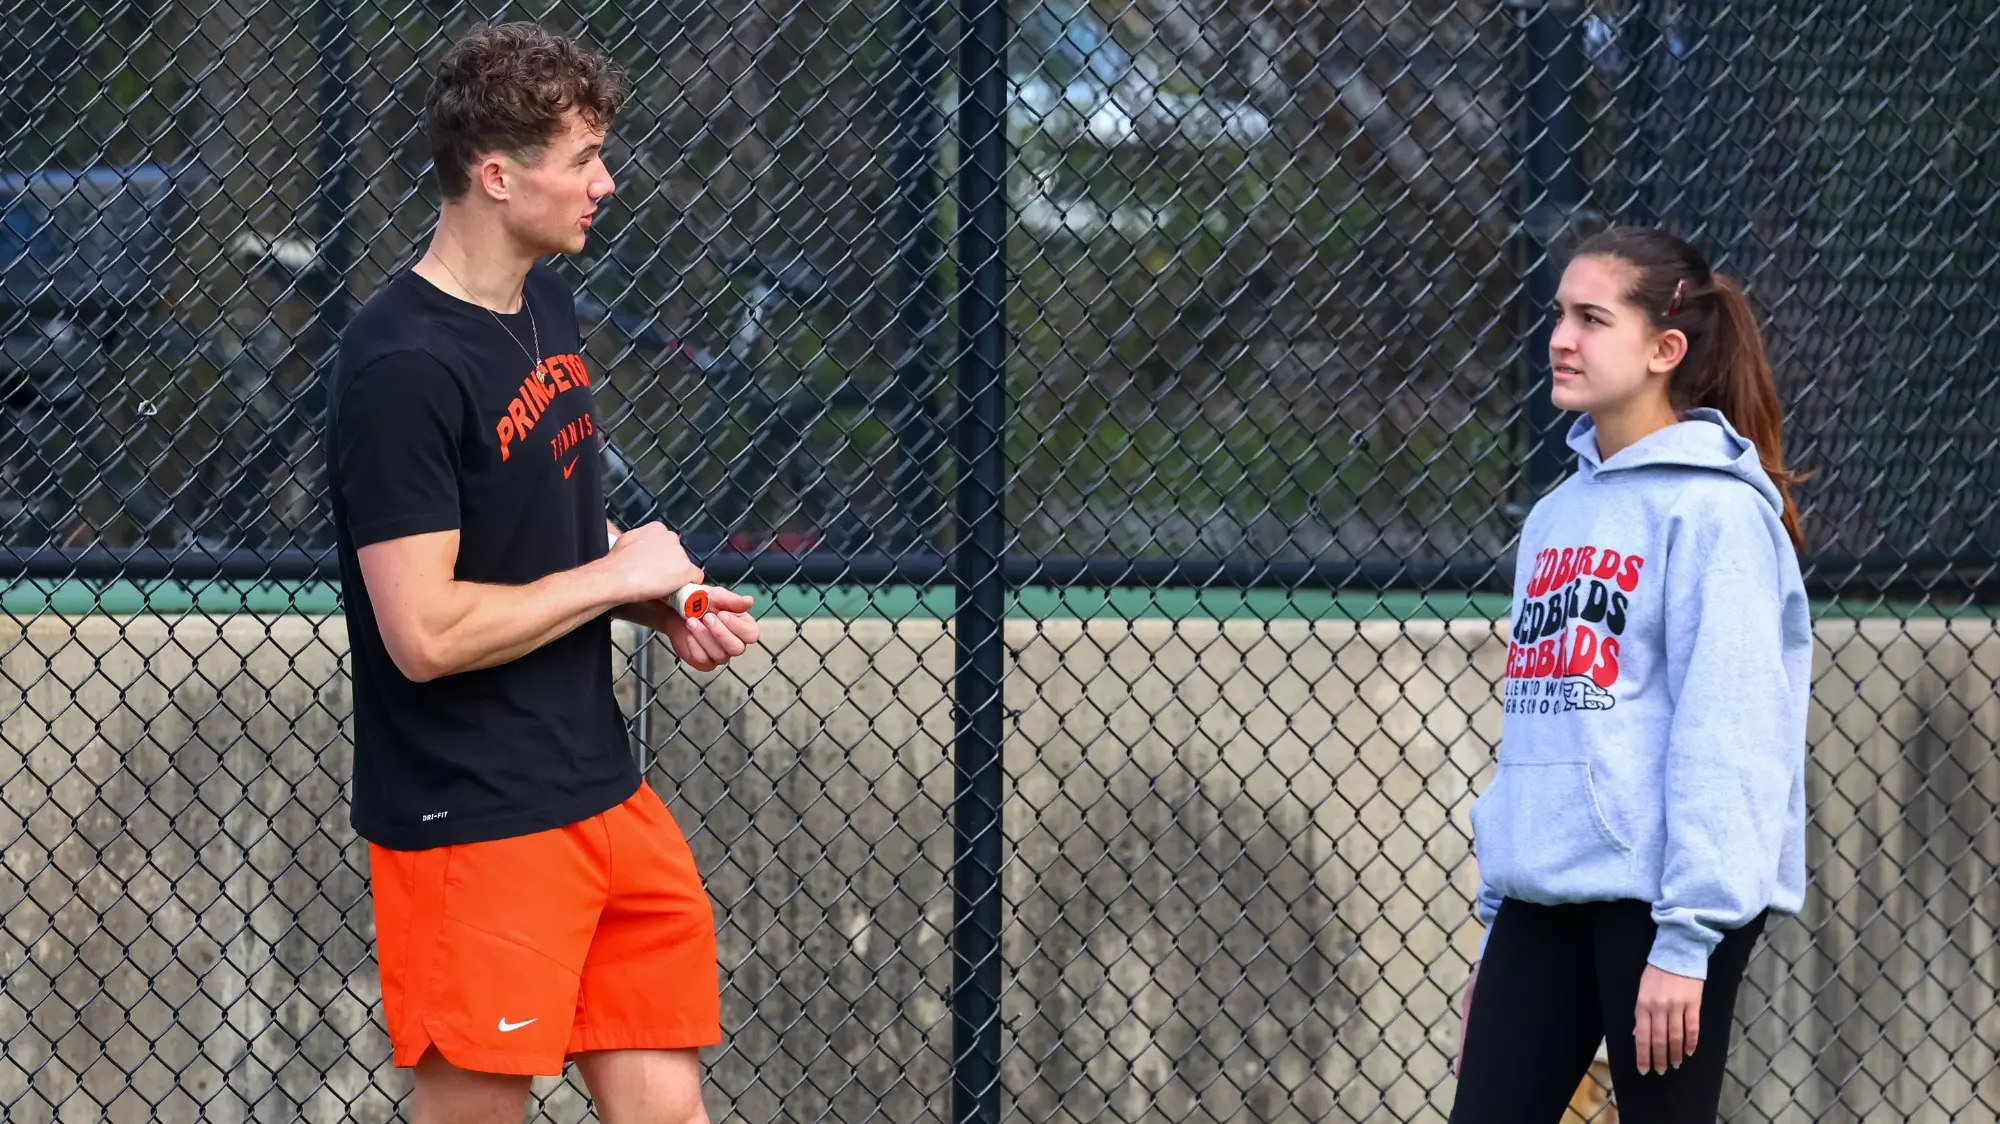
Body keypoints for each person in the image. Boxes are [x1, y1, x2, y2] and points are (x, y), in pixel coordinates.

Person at [323, 22, 761, 1124]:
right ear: (498, 173)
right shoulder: (401, 368)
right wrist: (615, 582)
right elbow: (421, 631)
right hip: (474, 817)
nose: (604, 183)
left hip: (602, 790)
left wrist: (654, 592)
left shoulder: (543, 302)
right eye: (581, 161)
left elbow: (539, 527)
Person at [1450, 226, 1811, 1123]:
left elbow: (1730, 737)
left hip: (1664, 902)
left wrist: (1686, 942)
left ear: (1665, 349)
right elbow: (1539, 727)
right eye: (1558, 315)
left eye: (1592, 319)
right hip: (1547, 893)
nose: (1561, 339)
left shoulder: (1715, 515)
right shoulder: (1555, 516)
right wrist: (1498, 931)